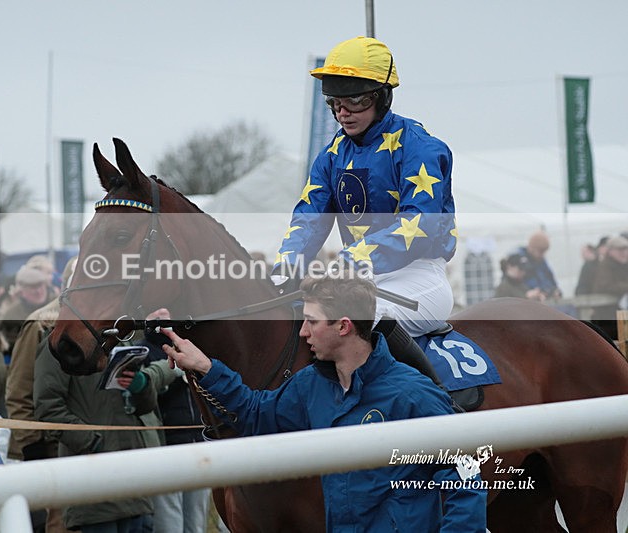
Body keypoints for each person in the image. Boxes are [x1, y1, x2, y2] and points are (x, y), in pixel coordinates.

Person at [160, 276, 487, 532]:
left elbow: (465, 481)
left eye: (311, 321)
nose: (303, 333)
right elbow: (255, 415)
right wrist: (205, 367)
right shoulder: (310, 386)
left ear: (343, 325)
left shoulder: (414, 395)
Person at [271, 35, 455, 386]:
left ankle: (438, 402)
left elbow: (419, 226)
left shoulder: (422, 148)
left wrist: (348, 261)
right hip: (355, 278)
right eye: (334, 102)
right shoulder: (330, 155)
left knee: (353, 323)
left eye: (354, 99)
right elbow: (308, 221)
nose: (343, 111)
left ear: (382, 96)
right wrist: (284, 270)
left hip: (417, 278)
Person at [34, 339, 179, 533]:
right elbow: (48, 408)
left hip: (135, 484)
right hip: (92, 484)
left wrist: (141, 386)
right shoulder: (59, 345)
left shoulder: (120, 340)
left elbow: (145, 408)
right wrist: (95, 443)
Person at [6, 257, 77, 533]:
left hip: (91, 441)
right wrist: (31, 446)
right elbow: (18, 391)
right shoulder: (41, 324)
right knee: (62, 522)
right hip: (52, 445)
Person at [141, 330, 211, 533]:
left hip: (198, 444)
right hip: (165, 448)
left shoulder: (192, 345)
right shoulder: (141, 350)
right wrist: (171, 370)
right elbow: (144, 393)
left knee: (196, 524)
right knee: (169, 524)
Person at [0, 265, 54, 353]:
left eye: (40, 285)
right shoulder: (12, 314)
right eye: (33, 287)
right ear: (21, 291)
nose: (38, 291)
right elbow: (9, 345)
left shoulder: (58, 304)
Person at [591, 235, 628, 339]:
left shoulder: (625, 266)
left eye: (626, 249)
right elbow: (605, 285)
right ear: (611, 251)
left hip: (621, 314)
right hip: (607, 315)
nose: (624, 253)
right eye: (620, 250)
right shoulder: (605, 266)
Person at [514, 230, 562, 300]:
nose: (542, 255)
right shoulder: (519, 262)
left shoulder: (542, 262)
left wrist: (554, 291)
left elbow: (551, 280)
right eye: (540, 251)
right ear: (532, 248)